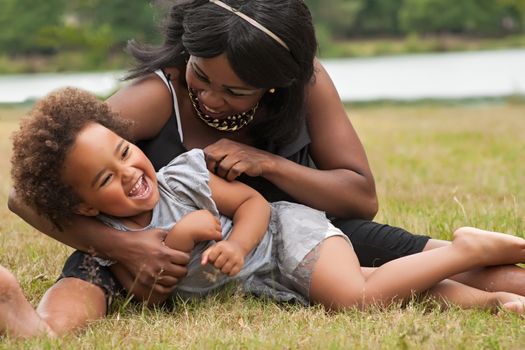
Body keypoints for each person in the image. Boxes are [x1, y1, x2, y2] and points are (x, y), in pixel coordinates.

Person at [7, 0, 525, 336]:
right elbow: (30, 190)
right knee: (88, 273)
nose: (208, 97)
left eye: (234, 91)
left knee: (428, 261)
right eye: (201, 75)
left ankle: (488, 271)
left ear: (275, 84)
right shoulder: (157, 95)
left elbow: (359, 196)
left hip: (299, 229)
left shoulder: (306, 82)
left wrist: (268, 163)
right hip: (157, 244)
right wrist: (120, 245)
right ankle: (37, 327)